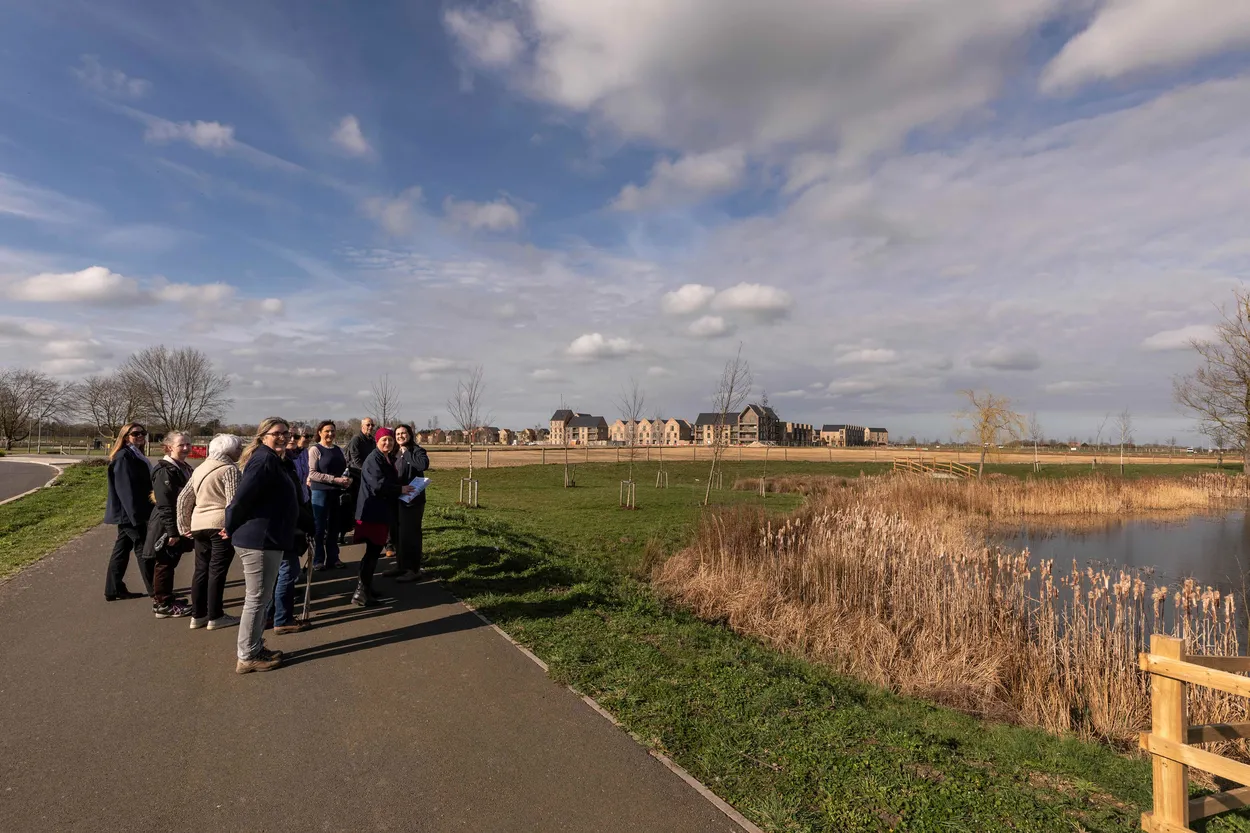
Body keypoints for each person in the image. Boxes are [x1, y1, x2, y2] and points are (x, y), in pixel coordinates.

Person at [224, 418, 299, 674]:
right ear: (263, 435)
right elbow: (241, 498)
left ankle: (254, 646)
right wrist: (230, 525)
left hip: (270, 539)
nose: (283, 437)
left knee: (262, 597)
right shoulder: (264, 460)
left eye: (286, 433)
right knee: (256, 599)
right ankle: (247, 656)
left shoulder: (272, 459)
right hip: (259, 541)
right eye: (277, 433)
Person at [177, 433, 243, 630]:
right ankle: (216, 615)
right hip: (220, 525)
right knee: (217, 571)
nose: (240, 451)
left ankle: (198, 615)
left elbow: (183, 499)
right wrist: (232, 526)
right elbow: (233, 502)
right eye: (238, 447)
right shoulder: (229, 469)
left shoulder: (200, 468)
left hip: (199, 525)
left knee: (201, 570)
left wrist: (184, 525)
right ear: (229, 450)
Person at [353, 427, 413, 607]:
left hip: (381, 510)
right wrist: (400, 489)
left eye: (390, 439)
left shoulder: (385, 458)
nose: (388, 443)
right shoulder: (373, 459)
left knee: (373, 552)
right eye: (384, 440)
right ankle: (361, 593)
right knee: (372, 553)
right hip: (373, 511)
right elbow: (378, 484)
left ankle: (366, 587)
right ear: (377, 442)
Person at [142, 432, 195, 618]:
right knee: (163, 563)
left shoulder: (181, 467)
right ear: (169, 447)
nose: (187, 448)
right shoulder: (165, 470)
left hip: (174, 523)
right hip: (165, 525)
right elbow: (164, 504)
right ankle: (162, 604)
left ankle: (166, 598)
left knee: (169, 563)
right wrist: (172, 532)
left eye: (189, 444)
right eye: (182, 445)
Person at [270, 435, 315, 635]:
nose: (287, 447)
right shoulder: (272, 468)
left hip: (287, 525)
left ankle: (271, 615)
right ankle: (282, 619)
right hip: (281, 528)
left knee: (281, 572)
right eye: (284, 444)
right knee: (287, 571)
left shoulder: (287, 465)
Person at [104, 422, 153, 601]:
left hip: (132, 512)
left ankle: (113, 588)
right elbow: (125, 490)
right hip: (130, 513)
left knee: (122, 548)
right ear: (125, 437)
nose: (140, 436)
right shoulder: (124, 456)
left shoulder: (135, 454)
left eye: (143, 433)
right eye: (135, 434)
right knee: (143, 549)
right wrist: (137, 517)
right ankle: (157, 592)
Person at [385, 424, 430, 583]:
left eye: (403, 433)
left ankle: (414, 569)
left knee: (411, 534)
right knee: (397, 534)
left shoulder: (416, 451)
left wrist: (407, 453)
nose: (400, 436)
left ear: (410, 435)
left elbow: (423, 465)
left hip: (412, 500)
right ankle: (401, 565)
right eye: (397, 434)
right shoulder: (393, 452)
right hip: (396, 498)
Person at [306, 420, 351, 570]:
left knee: (334, 526)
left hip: (336, 492)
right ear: (320, 432)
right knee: (319, 527)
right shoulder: (315, 450)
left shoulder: (338, 450)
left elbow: (344, 469)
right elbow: (312, 473)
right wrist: (334, 479)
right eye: (327, 431)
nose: (330, 434)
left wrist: (345, 479)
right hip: (320, 492)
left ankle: (333, 558)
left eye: (332, 431)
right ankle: (318, 559)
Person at [342, 417, 377, 545]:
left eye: (372, 425)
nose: (371, 427)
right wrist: (367, 471)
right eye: (368, 424)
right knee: (356, 504)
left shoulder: (372, 441)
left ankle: (365, 530)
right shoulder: (356, 440)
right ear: (362, 426)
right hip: (356, 476)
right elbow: (355, 459)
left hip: (367, 476)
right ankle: (354, 532)